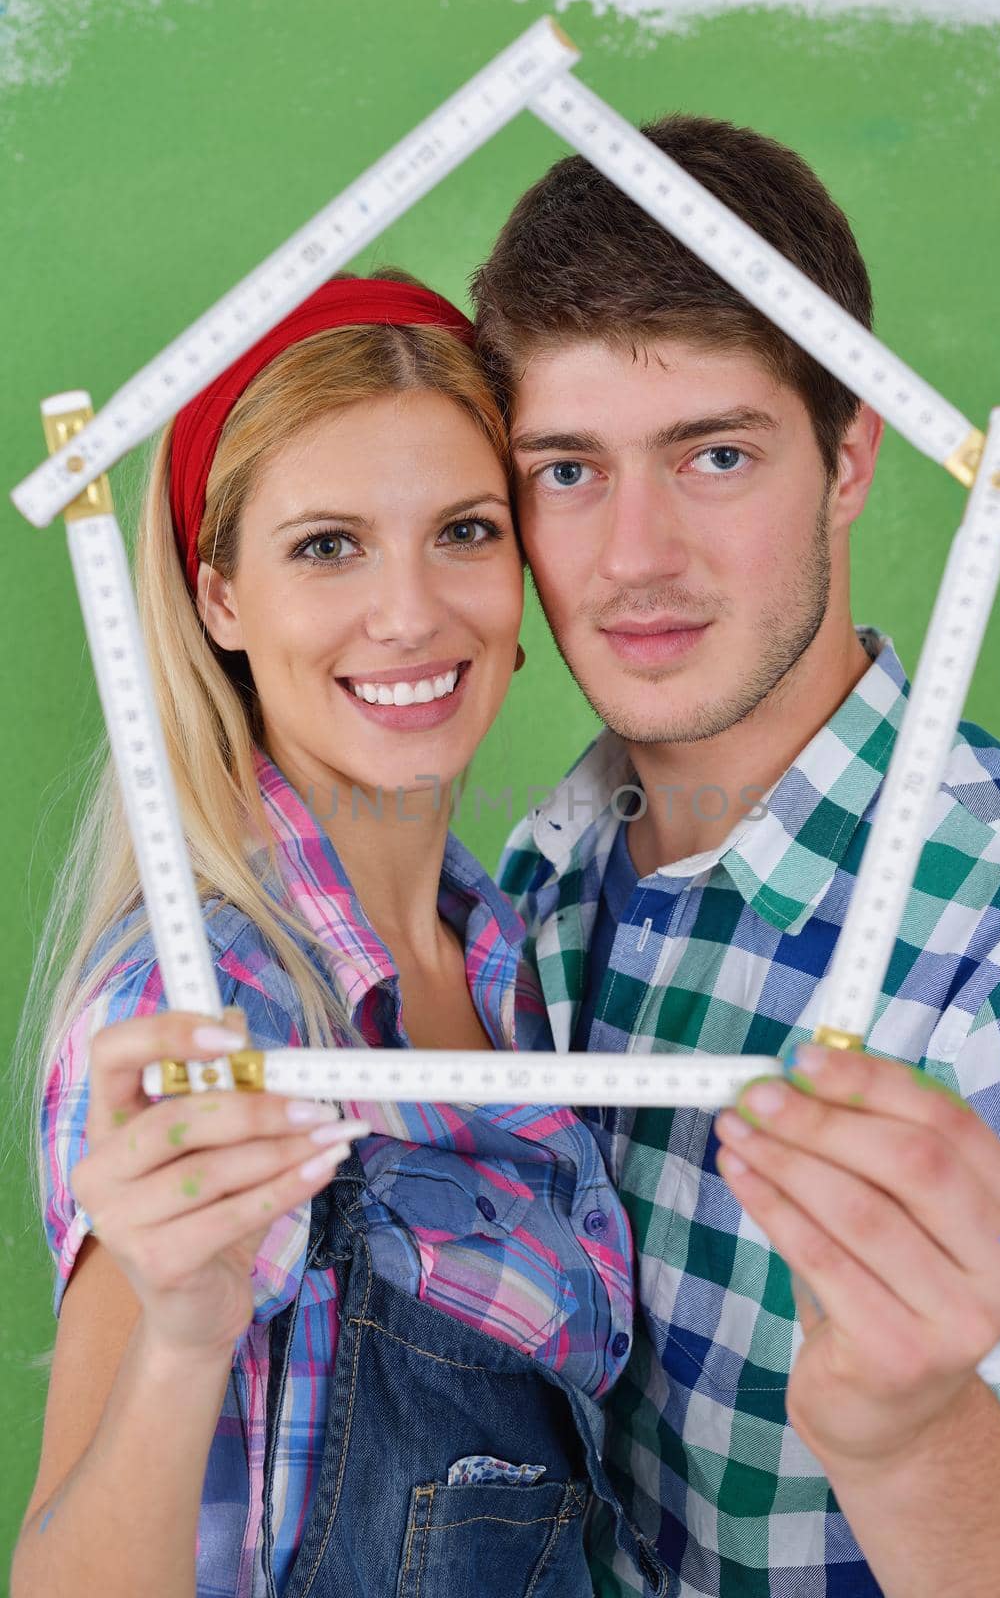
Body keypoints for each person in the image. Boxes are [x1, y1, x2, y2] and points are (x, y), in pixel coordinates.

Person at [470, 115, 1000, 1596]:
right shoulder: (532, 884)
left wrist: (913, 1429)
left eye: (716, 454)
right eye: (567, 470)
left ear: (851, 455)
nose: (635, 558)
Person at [11, 273, 670, 1598]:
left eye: (465, 533)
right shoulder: (209, 1013)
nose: (412, 614)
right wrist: (185, 1342)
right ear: (220, 598)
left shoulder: (509, 949)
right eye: (327, 546)